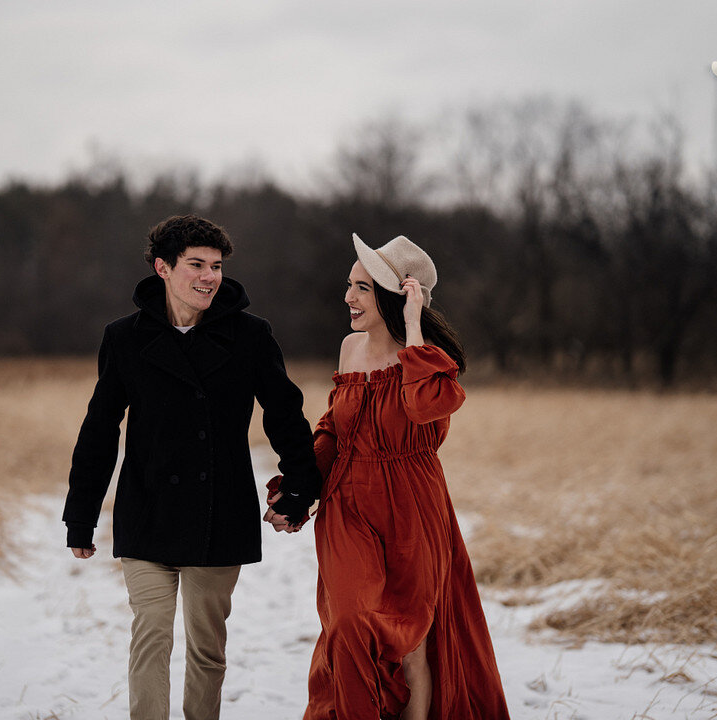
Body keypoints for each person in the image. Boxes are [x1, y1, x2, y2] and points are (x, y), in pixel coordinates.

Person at [62, 214, 320, 720]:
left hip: (218, 515)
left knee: (207, 651)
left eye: (217, 266)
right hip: (148, 510)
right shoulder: (124, 339)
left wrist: (300, 490)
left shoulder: (250, 335)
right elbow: (99, 430)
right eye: (196, 264)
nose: (209, 276)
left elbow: (286, 416)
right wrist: (81, 515)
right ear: (163, 267)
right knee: (150, 637)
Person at [278, 233, 510, 719]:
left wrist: (413, 326)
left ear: (392, 296)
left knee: (411, 641)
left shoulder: (428, 364)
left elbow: (423, 408)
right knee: (347, 622)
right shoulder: (348, 349)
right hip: (348, 505)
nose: (348, 298)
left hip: (412, 507)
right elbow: (336, 426)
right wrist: (299, 489)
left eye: (361, 288)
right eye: (349, 286)